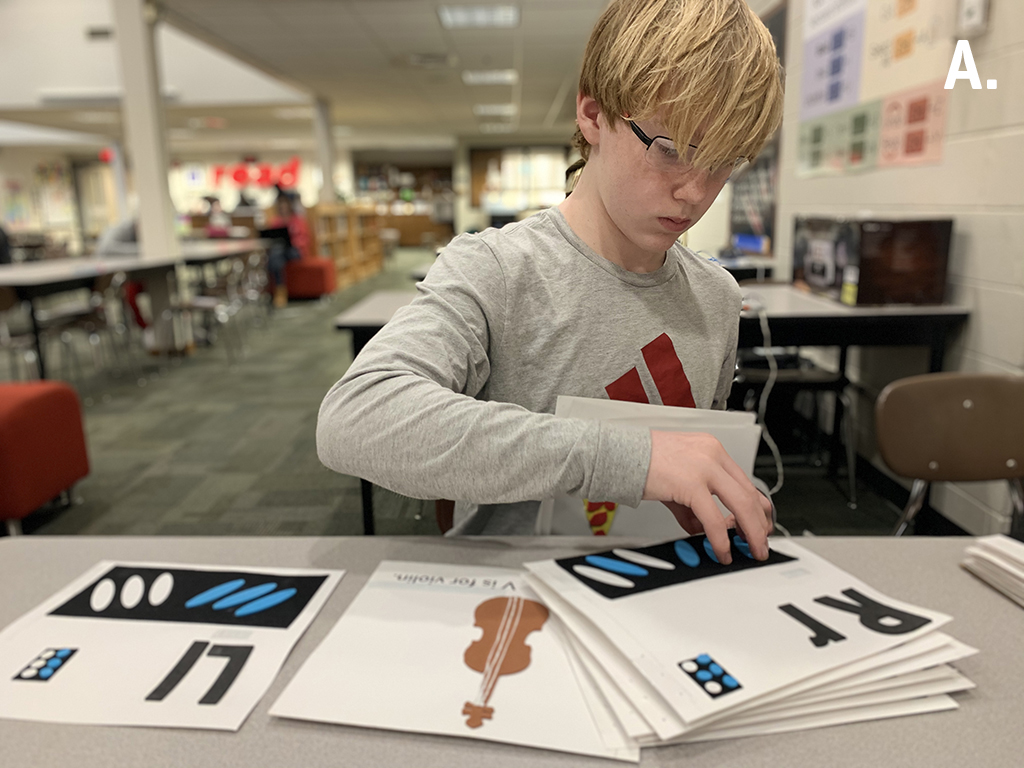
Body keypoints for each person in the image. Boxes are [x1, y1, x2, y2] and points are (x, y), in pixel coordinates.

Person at [317, 0, 784, 563]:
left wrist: (730, 493)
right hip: (514, 600)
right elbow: (357, 417)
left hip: (662, 592)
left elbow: (685, 457)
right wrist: (628, 459)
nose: (695, 191)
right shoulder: (496, 269)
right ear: (593, 114)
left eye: (723, 161)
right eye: (671, 151)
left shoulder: (716, 296)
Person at [264, 192, 308, 308]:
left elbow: (303, 240)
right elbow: (271, 238)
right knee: (276, 255)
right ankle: (279, 291)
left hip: (295, 251)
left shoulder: (298, 220)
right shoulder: (275, 221)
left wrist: (292, 243)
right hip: (280, 252)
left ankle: (279, 292)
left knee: (276, 255)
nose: (283, 206)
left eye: (285, 204)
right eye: (281, 204)